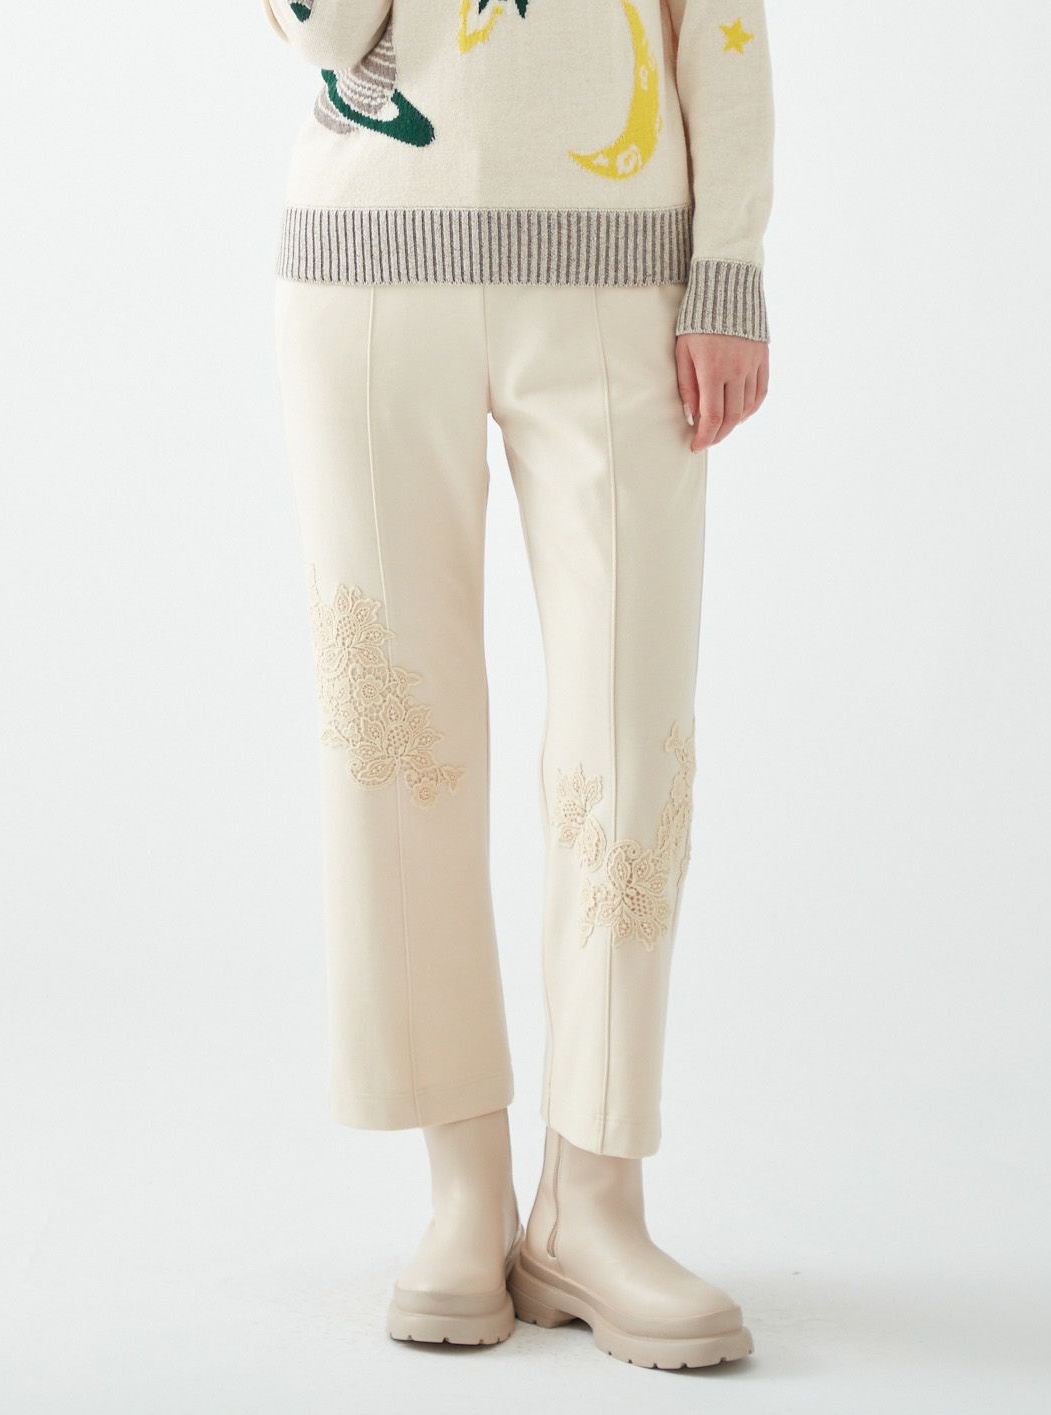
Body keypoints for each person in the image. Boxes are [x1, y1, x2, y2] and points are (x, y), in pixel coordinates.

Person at [265, 0, 773, 1370]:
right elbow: (325, 36)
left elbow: (722, 20)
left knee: (630, 730)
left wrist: (726, 269)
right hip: (373, 267)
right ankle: (463, 1190)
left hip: (623, 281)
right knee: (393, 736)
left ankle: (593, 1202)